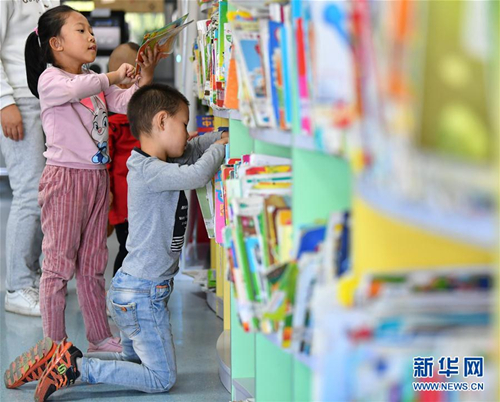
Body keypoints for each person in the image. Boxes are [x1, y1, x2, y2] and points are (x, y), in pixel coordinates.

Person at [4, 84, 229, 401]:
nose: (187, 132)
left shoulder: (159, 159)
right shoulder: (151, 171)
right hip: (142, 295)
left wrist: (219, 137)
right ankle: (76, 369)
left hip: (135, 291)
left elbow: (193, 148)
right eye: (183, 124)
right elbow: (197, 174)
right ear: (162, 122)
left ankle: (60, 359)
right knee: (160, 377)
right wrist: (220, 149)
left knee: (132, 362)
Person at [23, 5, 165, 354]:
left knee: (93, 263)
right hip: (65, 180)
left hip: (96, 179)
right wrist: (113, 75)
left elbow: (128, 104)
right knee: (57, 267)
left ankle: (99, 336)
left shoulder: (92, 79)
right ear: (55, 43)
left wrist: (143, 77)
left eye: (90, 30)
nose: (91, 36)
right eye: (81, 30)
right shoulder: (51, 80)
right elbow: (81, 88)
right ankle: (53, 346)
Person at [1, 0, 60, 316]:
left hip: (48, 96)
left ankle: (32, 276)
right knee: (28, 193)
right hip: (18, 99)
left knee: (44, 193)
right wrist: (3, 101)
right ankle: (16, 287)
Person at [106, 42, 140, 275]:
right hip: (122, 197)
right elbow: (104, 160)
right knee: (127, 248)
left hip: (140, 195)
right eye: (138, 78)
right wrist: (105, 190)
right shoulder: (112, 123)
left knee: (135, 247)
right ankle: (119, 293)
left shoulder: (141, 116)